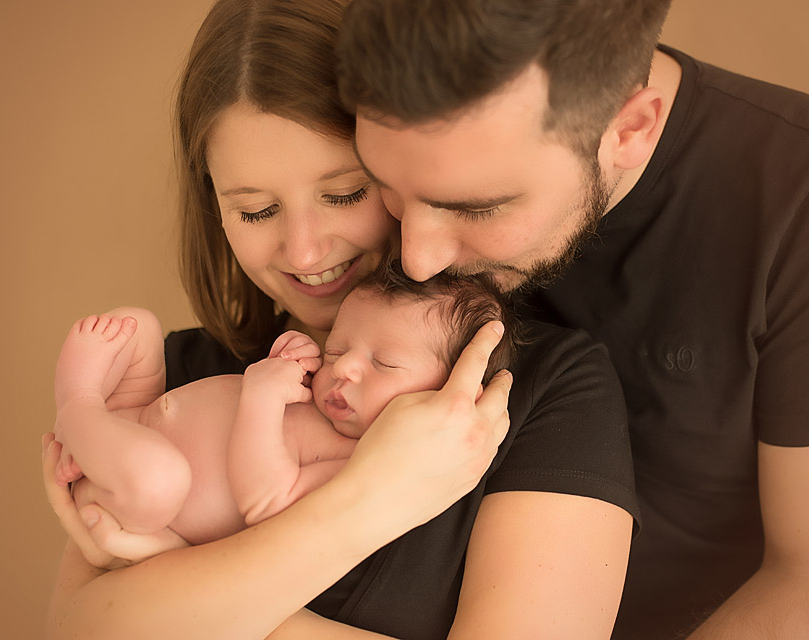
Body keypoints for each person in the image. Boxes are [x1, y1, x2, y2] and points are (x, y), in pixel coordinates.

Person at [43, 1, 639, 638]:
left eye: (344, 194)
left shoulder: (538, 392)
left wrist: (184, 584)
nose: (303, 251)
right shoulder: (190, 377)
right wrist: (368, 502)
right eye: (254, 211)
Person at [334, 0, 809, 638]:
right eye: (386, 187)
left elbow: (803, 578)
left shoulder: (791, 201)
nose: (416, 260)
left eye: (477, 210)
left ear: (631, 130)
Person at [52, 264, 515, 543]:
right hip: (137, 415)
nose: (344, 368)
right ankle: (90, 428)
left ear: (450, 396)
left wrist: (262, 396)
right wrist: (289, 358)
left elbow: (267, 503)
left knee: (159, 479)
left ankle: (78, 406)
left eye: (384, 364)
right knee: (136, 325)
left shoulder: (363, 461)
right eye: (337, 347)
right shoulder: (324, 393)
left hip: (136, 497)